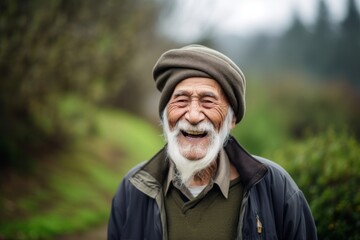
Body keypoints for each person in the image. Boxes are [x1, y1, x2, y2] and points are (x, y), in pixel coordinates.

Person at [107, 45, 317, 240]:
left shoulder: (274, 188)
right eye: (181, 100)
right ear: (164, 116)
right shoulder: (132, 190)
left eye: (208, 101)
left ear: (231, 119)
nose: (194, 116)